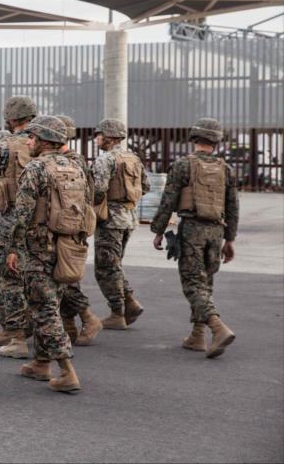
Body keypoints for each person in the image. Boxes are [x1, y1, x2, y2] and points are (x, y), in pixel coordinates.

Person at [6, 115, 90, 393]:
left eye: (32, 137)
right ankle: (41, 363)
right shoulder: (76, 167)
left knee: (45, 309)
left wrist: (15, 248)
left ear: (43, 140)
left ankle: (67, 371)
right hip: (67, 248)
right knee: (47, 303)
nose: (28, 141)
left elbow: (22, 213)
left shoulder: (36, 168)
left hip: (38, 247)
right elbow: (87, 210)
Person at [151, 117, 238, 358]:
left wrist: (159, 231)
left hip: (192, 229)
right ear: (217, 141)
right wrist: (229, 240)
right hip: (216, 231)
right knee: (205, 282)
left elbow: (168, 200)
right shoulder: (226, 169)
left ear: (194, 138)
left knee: (192, 283)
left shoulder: (182, 165)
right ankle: (197, 336)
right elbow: (233, 206)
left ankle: (217, 327)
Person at [0, 96, 37, 357]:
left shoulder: (5, 145)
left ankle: (17, 336)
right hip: (39, 221)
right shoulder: (46, 143)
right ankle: (14, 328)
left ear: (11, 118)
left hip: (10, 218)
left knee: (3, 276)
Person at [92, 118, 150, 330]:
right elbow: (146, 186)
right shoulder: (133, 158)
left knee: (105, 267)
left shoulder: (105, 159)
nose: (96, 138)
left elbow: (98, 190)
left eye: (99, 135)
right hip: (128, 218)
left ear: (108, 137)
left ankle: (117, 312)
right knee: (114, 264)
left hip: (109, 220)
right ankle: (130, 303)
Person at [55, 115, 103, 346]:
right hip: (70, 224)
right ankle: (69, 327)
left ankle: (88, 318)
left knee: (67, 279)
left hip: (69, 227)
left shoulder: (70, 161)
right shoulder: (74, 159)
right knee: (61, 276)